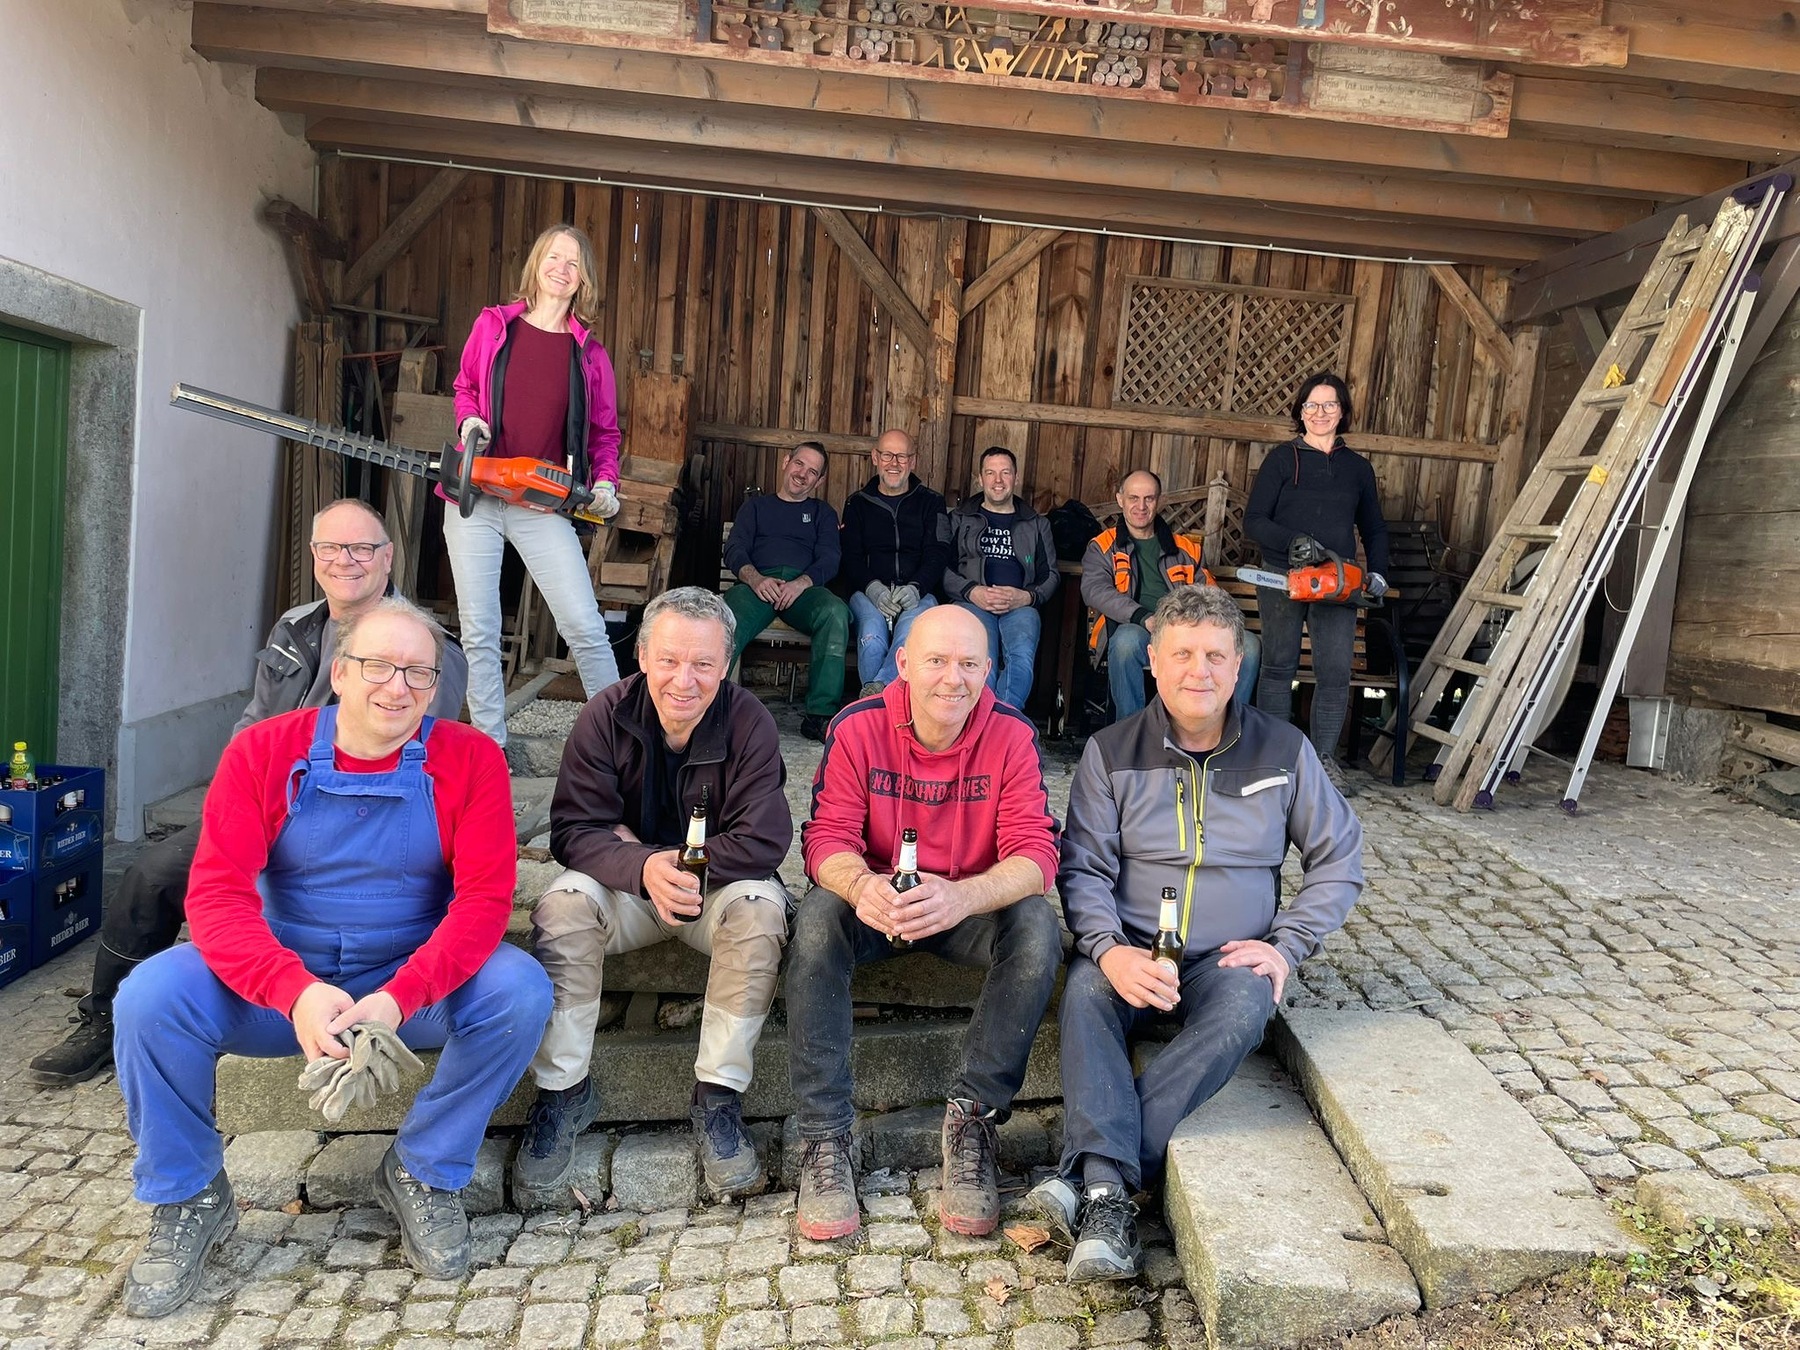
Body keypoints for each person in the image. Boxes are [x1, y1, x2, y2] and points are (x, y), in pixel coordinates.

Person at [112, 598, 551, 1316]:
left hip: (406, 985)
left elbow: (482, 903)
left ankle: (423, 1170)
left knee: (521, 990)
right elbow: (217, 896)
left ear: (437, 686)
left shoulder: (470, 759)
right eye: (378, 666)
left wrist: (400, 997)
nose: (398, 687)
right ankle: (188, 1195)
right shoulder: (262, 752)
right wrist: (295, 991)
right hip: (282, 987)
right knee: (149, 997)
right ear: (339, 673)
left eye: (419, 672)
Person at [27, 498, 468, 1088]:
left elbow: (422, 747)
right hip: (263, 797)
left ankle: (265, 1010)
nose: (346, 560)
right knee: (153, 872)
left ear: (388, 559)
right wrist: (236, 792)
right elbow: (254, 720)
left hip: (355, 815)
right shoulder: (295, 627)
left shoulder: (423, 645)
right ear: (313, 556)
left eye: (362, 548)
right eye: (331, 547)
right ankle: (106, 1016)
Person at [1028, 585, 1362, 1282]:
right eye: (1182, 654)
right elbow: (1083, 868)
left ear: (1239, 666)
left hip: (1226, 957)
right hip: (1133, 950)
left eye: (1215, 656)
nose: (1198, 671)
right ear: (1152, 661)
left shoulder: (1284, 749)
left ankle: (1096, 1178)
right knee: (1084, 993)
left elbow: (1339, 860)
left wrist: (1286, 945)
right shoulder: (1110, 752)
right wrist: (1107, 949)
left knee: (1247, 1005)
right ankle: (1110, 1189)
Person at [787, 604, 1063, 1242]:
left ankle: (973, 1121)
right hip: (879, 903)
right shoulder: (858, 727)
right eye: (936, 660)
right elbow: (825, 838)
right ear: (904, 663)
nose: (952, 678)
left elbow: (1036, 853)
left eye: (968, 663)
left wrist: (964, 897)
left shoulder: (1012, 735)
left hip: (964, 908)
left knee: (1036, 927)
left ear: (988, 670)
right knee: (819, 914)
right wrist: (862, 886)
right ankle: (825, 1136)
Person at [515, 588, 793, 1200]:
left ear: (726, 664)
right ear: (641, 656)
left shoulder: (749, 721)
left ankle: (718, 1098)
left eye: (703, 664)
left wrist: (676, 862)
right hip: (629, 890)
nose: (683, 680)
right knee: (562, 906)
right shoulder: (605, 714)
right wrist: (641, 865)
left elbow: (766, 840)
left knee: (760, 912)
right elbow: (573, 829)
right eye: (668, 660)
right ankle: (563, 1091)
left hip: (712, 892)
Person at [448, 221, 622, 750]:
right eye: (553, 257)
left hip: (540, 502)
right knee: (480, 630)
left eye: (573, 263)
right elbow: (465, 387)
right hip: (476, 494)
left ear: (583, 279)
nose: (561, 269)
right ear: (536, 263)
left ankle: (622, 744)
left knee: (585, 626)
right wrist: (469, 421)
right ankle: (489, 747)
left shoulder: (589, 355)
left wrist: (606, 482)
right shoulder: (493, 325)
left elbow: (605, 433)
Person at [1243, 371, 1390, 795]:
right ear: (1300, 411)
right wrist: (1292, 541)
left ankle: (1324, 760)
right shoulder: (1281, 459)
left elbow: (1374, 528)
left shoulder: (1357, 469)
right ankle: (1274, 759)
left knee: (1334, 672)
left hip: (1336, 580)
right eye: (1311, 405)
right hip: (1281, 575)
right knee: (1278, 665)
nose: (1319, 412)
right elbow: (1255, 520)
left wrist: (1378, 572)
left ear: (1342, 412)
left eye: (1329, 405)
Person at [1082, 468, 1262, 722]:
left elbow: (1211, 593)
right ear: (1120, 499)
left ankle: (1226, 729)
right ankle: (1131, 731)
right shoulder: (1102, 546)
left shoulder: (1186, 548)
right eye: (1133, 498)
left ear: (1160, 501)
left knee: (1250, 645)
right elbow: (1095, 590)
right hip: (1139, 628)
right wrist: (1142, 616)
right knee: (1125, 642)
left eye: (1149, 498)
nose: (1141, 506)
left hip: (1187, 629)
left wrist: (1205, 623)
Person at [722, 442, 850, 741]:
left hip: (803, 590)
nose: (803, 474)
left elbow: (830, 557)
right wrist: (755, 579)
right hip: (756, 586)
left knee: (835, 613)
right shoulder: (755, 507)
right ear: (786, 462)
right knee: (724, 619)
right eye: (799, 464)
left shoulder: (822, 513)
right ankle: (710, 707)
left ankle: (820, 715)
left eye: (812, 471)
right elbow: (735, 548)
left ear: (819, 481)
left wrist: (801, 583)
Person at [941, 447, 1058, 712]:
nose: (998, 480)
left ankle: (1004, 720)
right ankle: (978, 720)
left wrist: (1026, 597)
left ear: (1016, 477)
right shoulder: (959, 519)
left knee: (1021, 657)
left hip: (1019, 607)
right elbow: (942, 569)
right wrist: (972, 591)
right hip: (972, 603)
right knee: (982, 659)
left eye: (1005, 473)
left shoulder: (1036, 523)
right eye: (990, 473)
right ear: (980, 478)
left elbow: (1051, 575)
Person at [839, 428, 948, 699]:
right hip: (868, 591)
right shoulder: (857, 503)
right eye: (887, 455)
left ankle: (875, 696)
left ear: (913, 461)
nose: (894, 463)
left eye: (902, 456)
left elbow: (938, 553)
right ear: (875, 457)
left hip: (918, 593)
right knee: (871, 636)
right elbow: (850, 556)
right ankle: (884, 702)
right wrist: (872, 588)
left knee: (910, 632)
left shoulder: (932, 502)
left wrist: (917, 587)